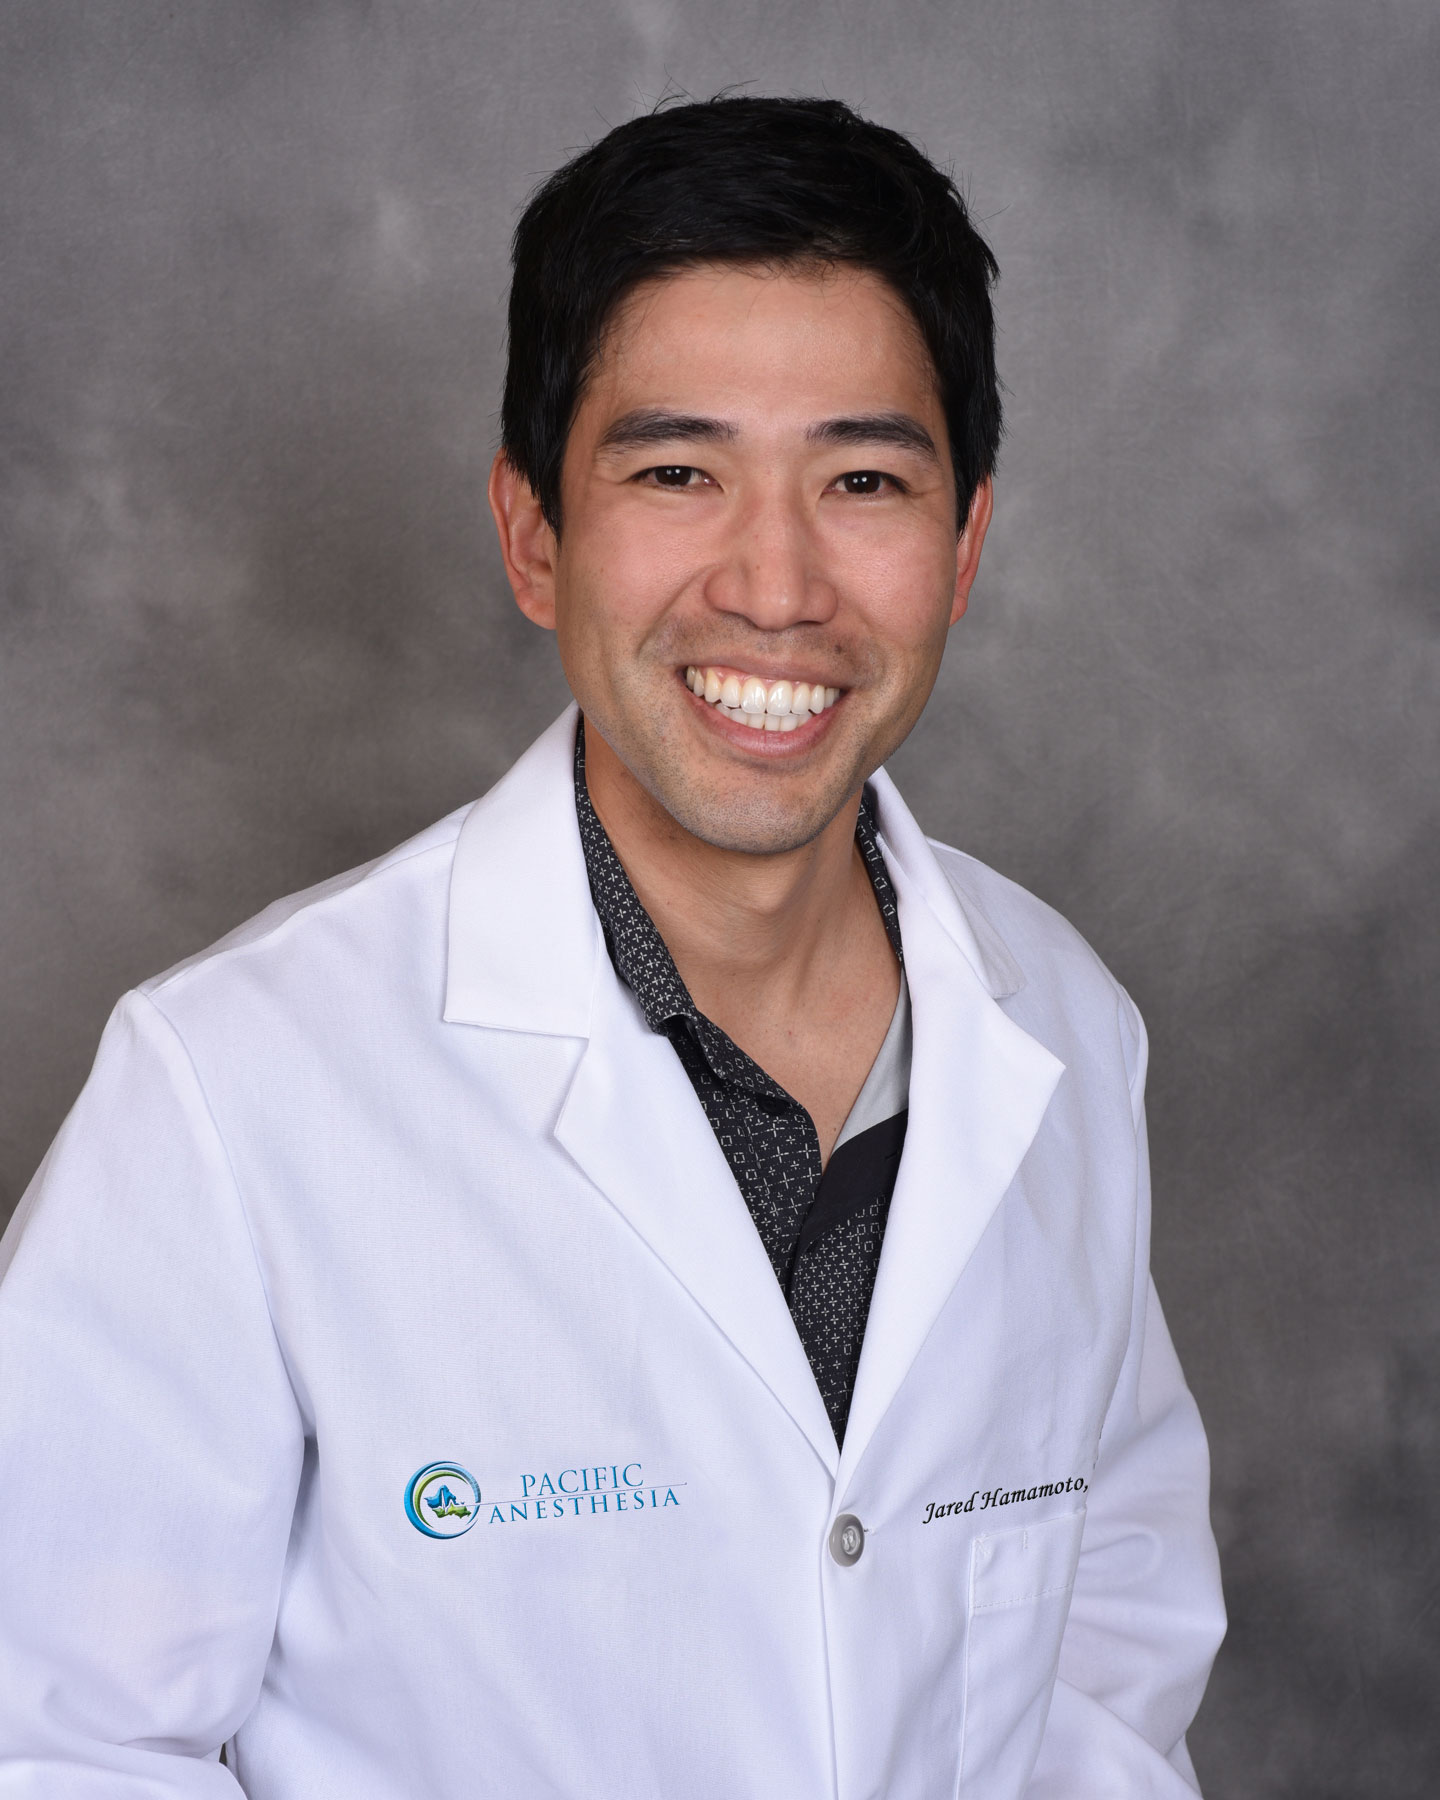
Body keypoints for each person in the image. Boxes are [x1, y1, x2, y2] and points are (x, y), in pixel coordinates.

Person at [0, 96, 1224, 1798]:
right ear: (532, 536)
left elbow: (1113, 1650)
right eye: (677, 471)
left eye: (863, 477)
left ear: (965, 547)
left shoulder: (1068, 1031)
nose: (776, 582)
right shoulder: (231, 1090)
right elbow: (55, 1741)